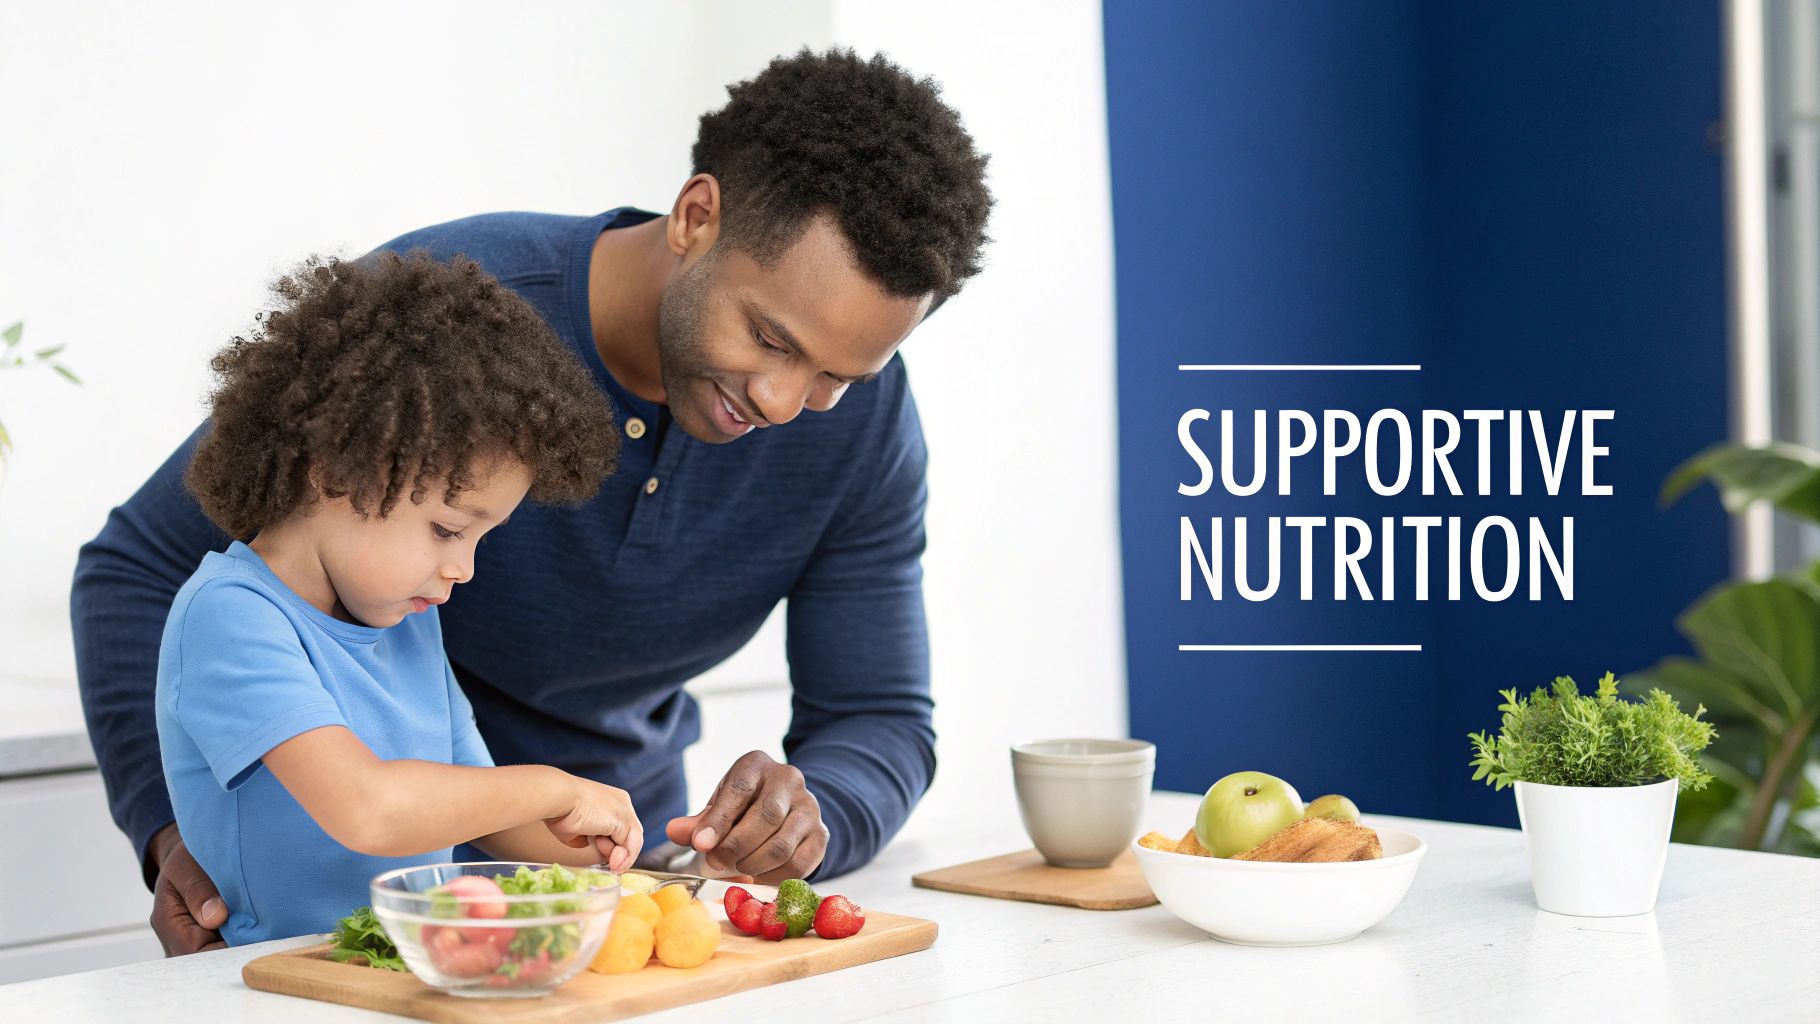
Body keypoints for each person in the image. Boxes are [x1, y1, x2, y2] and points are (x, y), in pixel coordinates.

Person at [73, 46, 994, 955]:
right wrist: (174, 834)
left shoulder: (864, 428)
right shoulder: (442, 325)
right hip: (373, 924)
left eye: (838, 376)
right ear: (696, 217)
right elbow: (139, 569)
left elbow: (879, 716)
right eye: (770, 339)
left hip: (598, 894)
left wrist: (799, 822)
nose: (786, 405)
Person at [157, 250, 639, 944]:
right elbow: (369, 810)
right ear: (336, 470)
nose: (464, 569)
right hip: (275, 982)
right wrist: (556, 787)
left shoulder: (407, 623)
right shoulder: (231, 615)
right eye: (447, 529)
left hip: (408, 970)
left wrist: (594, 840)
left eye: (481, 538)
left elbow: (485, 814)